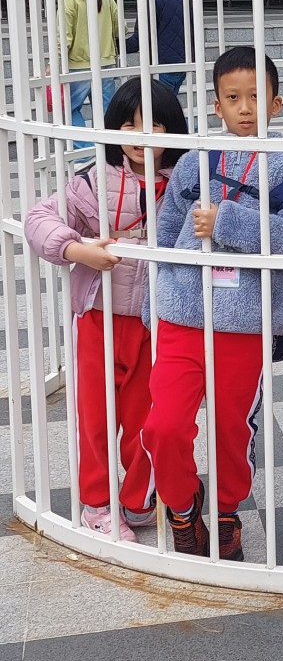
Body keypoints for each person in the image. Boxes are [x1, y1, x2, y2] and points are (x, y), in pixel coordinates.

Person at [141, 46, 283, 561]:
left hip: (246, 320)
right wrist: (158, 301)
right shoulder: (193, 161)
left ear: (276, 104)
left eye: (256, 97)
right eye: (233, 98)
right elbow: (165, 237)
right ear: (216, 105)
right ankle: (182, 507)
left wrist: (227, 221)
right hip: (182, 314)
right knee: (163, 426)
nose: (245, 108)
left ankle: (224, 512)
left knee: (233, 428)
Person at [24, 79, 188, 540]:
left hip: (157, 318)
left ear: (172, 128)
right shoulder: (95, 179)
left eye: (153, 124)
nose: (140, 135)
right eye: (128, 124)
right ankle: (96, 502)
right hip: (99, 316)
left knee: (145, 416)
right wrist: (77, 250)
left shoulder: (187, 179)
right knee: (95, 416)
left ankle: (138, 498)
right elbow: (38, 218)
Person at [61, 0, 119, 149]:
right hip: (107, 62)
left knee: (69, 109)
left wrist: (55, 62)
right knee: (105, 111)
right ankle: (106, 150)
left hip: (79, 64)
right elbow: (120, 28)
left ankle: (86, 150)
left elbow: (64, 37)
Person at [126, 0, 188, 95]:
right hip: (183, 64)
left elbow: (139, 40)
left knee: (158, 107)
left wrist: (115, 45)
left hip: (162, 66)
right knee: (169, 106)